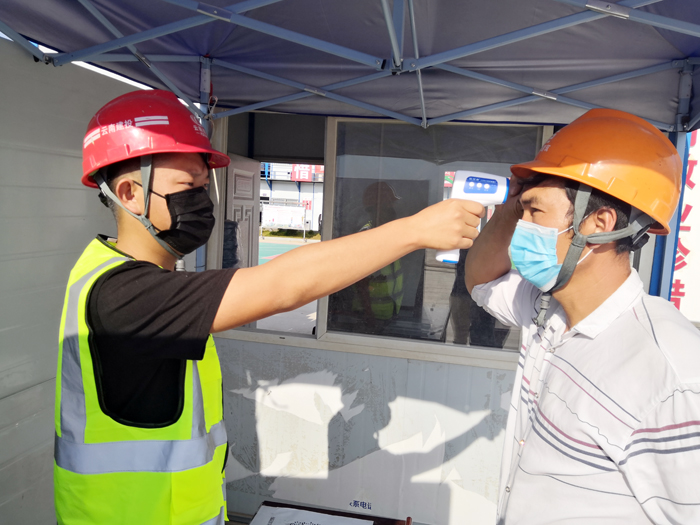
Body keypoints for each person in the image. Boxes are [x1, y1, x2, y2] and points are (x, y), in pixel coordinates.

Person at [54, 89, 485, 525]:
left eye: (204, 187)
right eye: (187, 187)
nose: (202, 201)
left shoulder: (125, 278)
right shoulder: (123, 295)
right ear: (129, 193)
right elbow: (283, 286)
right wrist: (413, 230)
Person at [464, 108, 700, 524]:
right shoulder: (547, 310)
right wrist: (511, 207)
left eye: (534, 213)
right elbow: (480, 281)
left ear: (600, 223)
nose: (520, 228)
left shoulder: (672, 377)